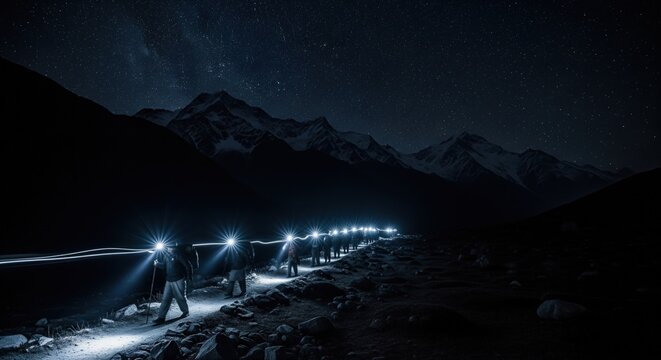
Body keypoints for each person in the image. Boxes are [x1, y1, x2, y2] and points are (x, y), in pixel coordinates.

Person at [152, 243, 191, 324]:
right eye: (168, 247)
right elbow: (164, 266)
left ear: (174, 248)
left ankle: (185, 312)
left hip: (179, 279)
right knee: (165, 299)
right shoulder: (166, 255)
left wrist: (188, 277)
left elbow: (188, 266)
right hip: (169, 280)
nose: (169, 249)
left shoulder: (179, 255)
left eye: (171, 247)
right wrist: (157, 264)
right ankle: (161, 317)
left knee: (180, 297)